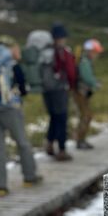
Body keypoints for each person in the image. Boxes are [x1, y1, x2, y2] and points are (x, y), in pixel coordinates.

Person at [0, 35, 42, 196]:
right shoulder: (12, 65)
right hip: (10, 110)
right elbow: (23, 89)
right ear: (10, 48)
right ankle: (29, 177)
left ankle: (1, 187)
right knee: (22, 143)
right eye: (16, 48)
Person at [41, 23, 77, 161]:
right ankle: (62, 150)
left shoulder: (45, 52)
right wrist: (72, 85)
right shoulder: (63, 52)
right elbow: (71, 72)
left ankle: (49, 144)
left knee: (53, 117)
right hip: (60, 89)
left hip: (46, 90)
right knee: (61, 118)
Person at [74, 38, 103, 149]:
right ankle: (80, 140)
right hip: (81, 92)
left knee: (85, 115)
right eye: (95, 52)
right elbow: (86, 77)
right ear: (90, 51)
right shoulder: (84, 62)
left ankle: (80, 139)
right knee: (86, 116)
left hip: (82, 92)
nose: (96, 55)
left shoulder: (83, 60)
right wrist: (95, 83)